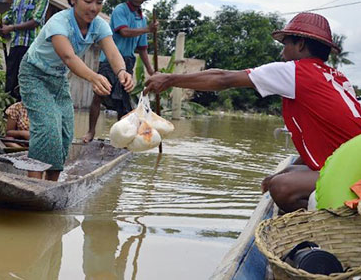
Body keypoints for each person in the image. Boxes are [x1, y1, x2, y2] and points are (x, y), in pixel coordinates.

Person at [144, 12, 361, 213]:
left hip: (354, 172)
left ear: (301, 44)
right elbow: (328, 143)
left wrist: (170, 79)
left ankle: (325, 223)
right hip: (352, 163)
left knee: (281, 188)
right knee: (283, 176)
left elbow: (224, 79)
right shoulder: (337, 78)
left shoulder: (295, 71)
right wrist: (283, 172)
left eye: (285, 44)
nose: (282, 52)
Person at [18, 0, 135, 181]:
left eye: (99, 2)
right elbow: (68, 56)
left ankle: (51, 186)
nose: (93, 8)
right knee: (47, 127)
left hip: (58, 79)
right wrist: (93, 77)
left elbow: (113, 52)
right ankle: (33, 183)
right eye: (87, 1)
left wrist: (122, 72)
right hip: (34, 74)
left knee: (65, 131)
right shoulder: (59, 21)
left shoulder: (99, 25)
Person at [82, 0, 157, 143]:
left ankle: (120, 138)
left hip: (128, 61)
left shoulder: (142, 19)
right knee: (99, 95)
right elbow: (123, 32)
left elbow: (142, 48)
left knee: (122, 102)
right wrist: (147, 29)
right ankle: (91, 131)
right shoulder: (120, 10)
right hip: (110, 59)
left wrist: (151, 71)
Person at [0, 0, 50, 100]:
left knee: (25, 83)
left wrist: (11, 28)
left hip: (31, 47)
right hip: (15, 45)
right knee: (10, 82)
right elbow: (10, 15)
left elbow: (35, 21)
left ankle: (25, 119)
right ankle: (9, 117)